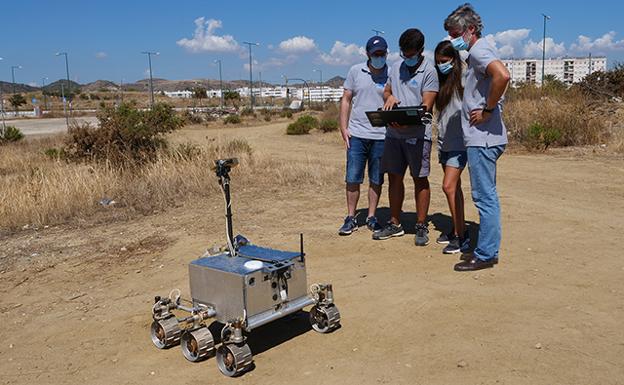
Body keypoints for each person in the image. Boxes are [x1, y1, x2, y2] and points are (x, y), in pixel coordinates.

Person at [443, 3, 511, 271]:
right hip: (483, 138)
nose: (452, 39)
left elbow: (502, 75)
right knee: (486, 195)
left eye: (455, 33)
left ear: (471, 30)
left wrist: (487, 110)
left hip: (483, 138)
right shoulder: (475, 53)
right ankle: (486, 249)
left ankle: (486, 253)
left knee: (485, 197)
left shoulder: (480, 50)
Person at [373, 28, 439, 246]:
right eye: (404, 54)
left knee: (420, 178)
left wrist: (407, 120)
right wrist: (390, 96)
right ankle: (395, 223)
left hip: (417, 135)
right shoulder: (395, 68)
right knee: (394, 177)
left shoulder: (429, 72)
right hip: (393, 134)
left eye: (410, 55)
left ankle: (421, 225)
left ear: (420, 51)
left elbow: (426, 107)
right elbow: (386, 91)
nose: (406, 58)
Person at [338, 36, 389, 235]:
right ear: (368, 54)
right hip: (357, 134)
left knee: (376, 178)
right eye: (376, 54)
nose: (380, 57)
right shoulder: (355, 71)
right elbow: (346, 99)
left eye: (383, 53)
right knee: (353, 177)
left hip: (381, 136)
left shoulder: (391, 73)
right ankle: (351, 217)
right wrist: (344, 127)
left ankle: (372, 216)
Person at [433, 40, 469, 254]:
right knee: (455, 188)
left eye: (445, 61)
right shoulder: (441, 81)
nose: (441, 65)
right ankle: (459, 227)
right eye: (438, 62)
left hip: (460, 143)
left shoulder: (464, 76)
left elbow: (469, 60)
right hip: (444, 141)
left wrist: (459, 50)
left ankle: (460, 236)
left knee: (448, 186)